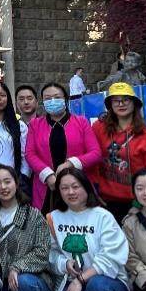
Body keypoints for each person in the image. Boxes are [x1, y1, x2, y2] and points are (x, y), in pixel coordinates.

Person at [46, 167, 130, 291]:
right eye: (64, 188)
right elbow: (51, 253)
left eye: (75, 186)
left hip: (110, 282)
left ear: (86, 187)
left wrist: (81, 279)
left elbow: (112, 256)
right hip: (75, 281)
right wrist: (64, 263)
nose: (71, 192)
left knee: (97, 286)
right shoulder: (54, 218)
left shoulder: (102, 216)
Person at [90, 82, 146, 221]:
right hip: (103, 201)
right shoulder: (99, 128)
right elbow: (92, 161)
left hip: (135, 204)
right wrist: (93, 192)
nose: (121, 104)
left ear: (134, 103)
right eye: (116, 100)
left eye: (126, 99)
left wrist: (138, 205)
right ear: (110, 105)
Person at [25, 83, 100, 211]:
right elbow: (30, 154)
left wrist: (70, 164)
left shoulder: (81, 122)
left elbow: (95, 153)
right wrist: (47, 175)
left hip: (76, 185)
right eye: (48, 98)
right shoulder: (35, 124)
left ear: (65, 98)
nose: (52, 101)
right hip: (47, 187)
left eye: (57, 97)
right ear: (42, 102)